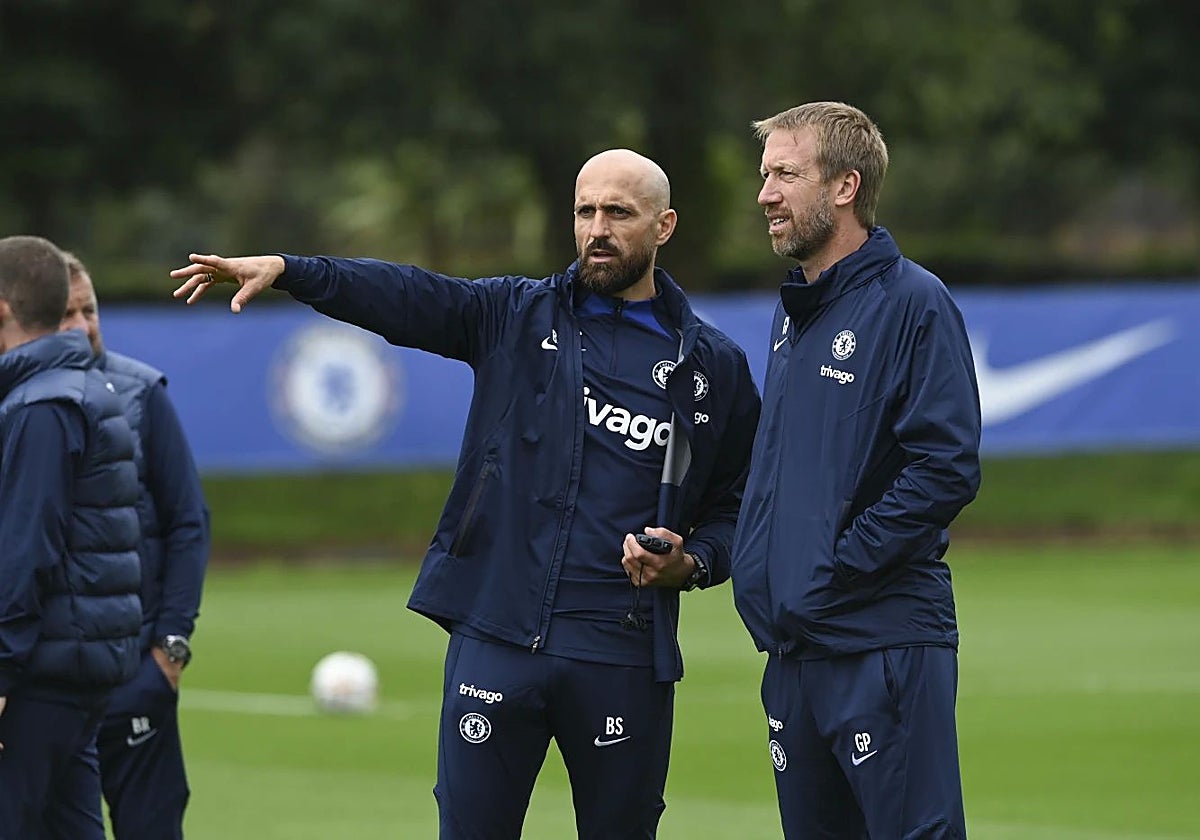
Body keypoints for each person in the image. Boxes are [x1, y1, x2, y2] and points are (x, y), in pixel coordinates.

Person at [170, 148, 761, 839]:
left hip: (619, 651)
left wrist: (691, 564)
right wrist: (291, 271)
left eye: (618, 212)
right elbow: (406, 295)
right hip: (497, 633)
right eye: (585, 210)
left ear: (664, 226)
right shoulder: (514, 313)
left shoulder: (710, 367)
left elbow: (742, 501)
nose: (597, 228)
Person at [730, 102, 982, 839]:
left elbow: (945, 468)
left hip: (880, 641)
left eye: (785, 173)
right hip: (796, 649)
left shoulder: (914, 302)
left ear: (844, 186)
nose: (765, 194)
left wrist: (834, 569)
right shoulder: (792, 315)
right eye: (764, 174)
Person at [60, 253, 211, 840]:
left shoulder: (143, 393)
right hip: (43, 683)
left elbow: (187, 522)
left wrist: (169, 649)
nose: (82, 324)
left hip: (136, 672)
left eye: (89, 309)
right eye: (65, 312)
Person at [0, 235, 142, 840]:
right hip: (77, 668)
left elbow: (26, 548)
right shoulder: (86, 388)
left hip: (39, 676)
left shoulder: (41, 404)